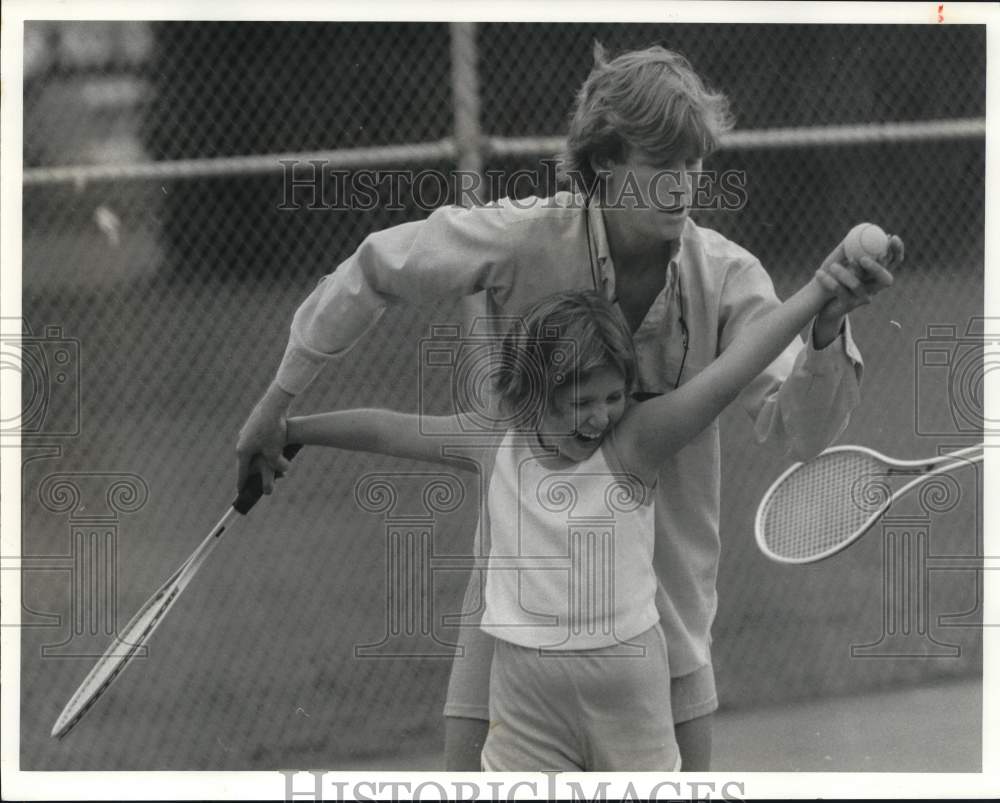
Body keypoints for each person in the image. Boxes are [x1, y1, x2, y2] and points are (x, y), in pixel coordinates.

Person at [236, 43, 901, 769]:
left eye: (694, 165)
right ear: (605, 166)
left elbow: (799, 429)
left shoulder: (727, 274)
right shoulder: (525, 235)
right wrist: (280, 402)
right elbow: (376, 267)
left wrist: (826, 323)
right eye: (661, 166)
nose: (683, 187)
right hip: (515, 619)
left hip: (664, 622)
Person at [280, 265, 883, 770]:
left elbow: (734, 371)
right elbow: (388, 430)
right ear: (535, 394)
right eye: (580, 402)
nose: (600, 417)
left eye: (612, 397)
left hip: (628, 686)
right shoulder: (496, 442)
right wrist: (291, 431)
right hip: (524, 694)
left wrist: (818, 300)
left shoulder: (634, 443)